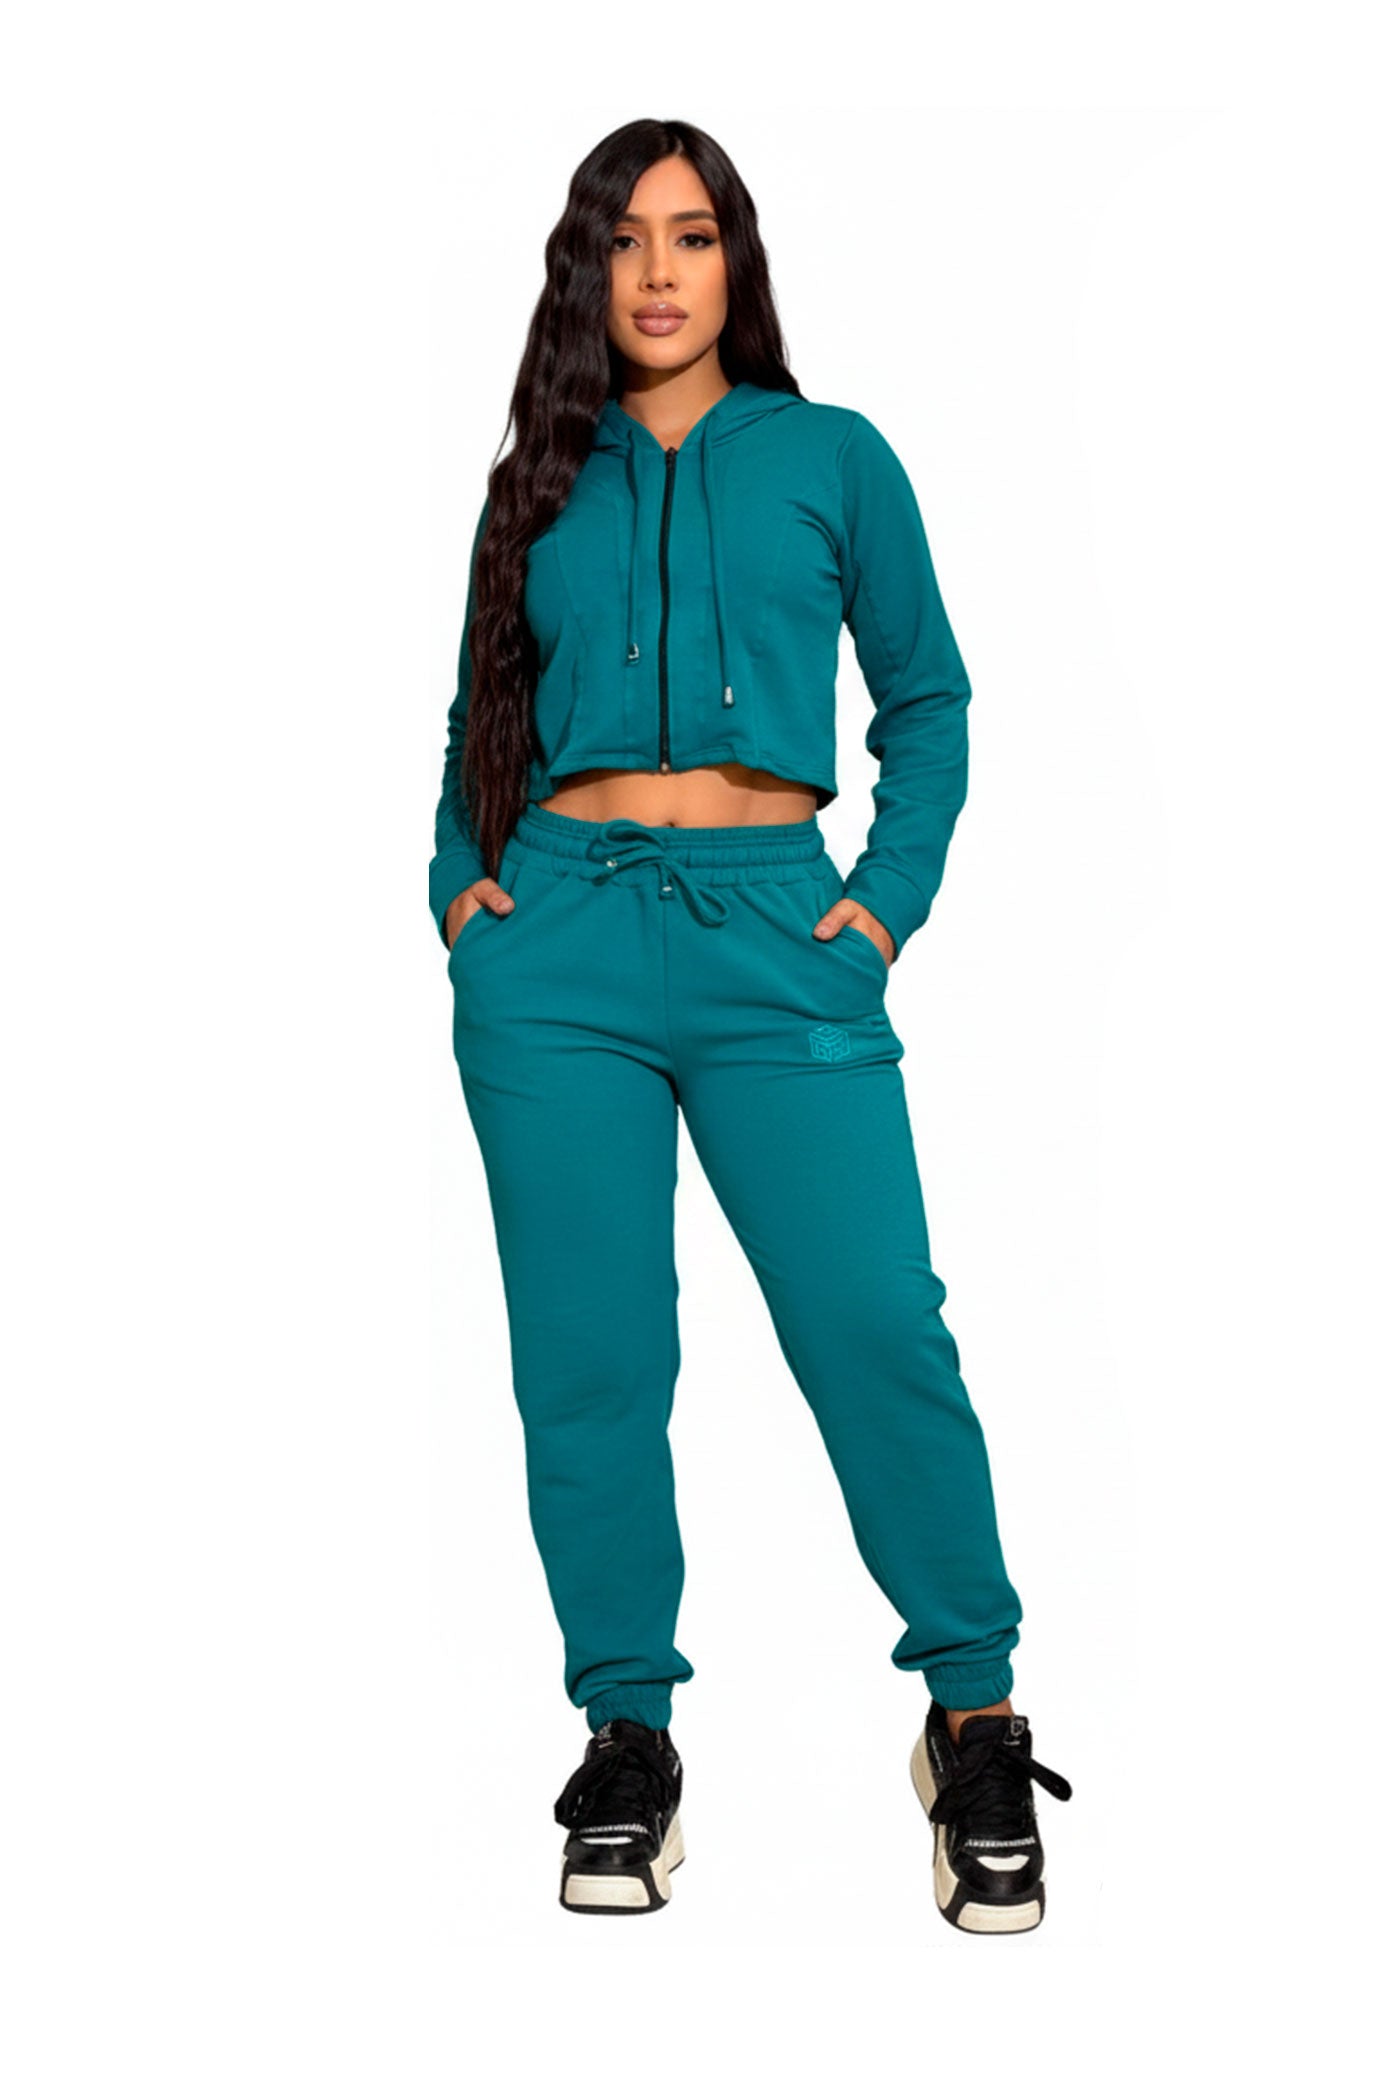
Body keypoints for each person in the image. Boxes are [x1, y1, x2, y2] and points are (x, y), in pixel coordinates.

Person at [429, 117, 1072, 1932]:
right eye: (627, 239)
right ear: (586, 270)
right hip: (557, 947)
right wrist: (462, 895)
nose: (659, 271)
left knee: (875, 1321)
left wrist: (880, 904)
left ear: (738, 261)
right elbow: (474, 714)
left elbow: (927, 699)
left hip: (781, 942)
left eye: (693, 235)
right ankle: (626, 1733)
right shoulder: (536, 481)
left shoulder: (833, 457)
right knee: (592, 1356)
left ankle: (974, 1711)